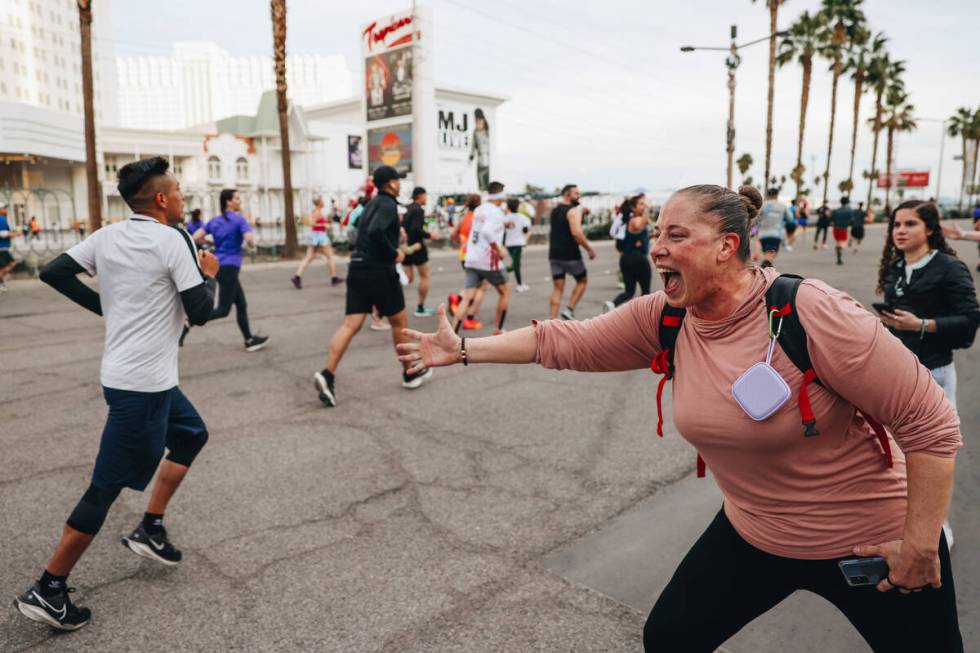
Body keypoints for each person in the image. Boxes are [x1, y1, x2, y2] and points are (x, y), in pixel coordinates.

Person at [398, 183, 964, 652]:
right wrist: (463, 350)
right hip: (755, 534)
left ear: (727, 246)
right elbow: (564, 340)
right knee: (670, 638)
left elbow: (929, 420)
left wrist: (918, 546)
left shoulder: (811, 311)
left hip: (866, 543)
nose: (657, 247)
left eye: (676, 235)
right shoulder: (666, 315)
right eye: (656, 234)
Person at [15, 157, 220, 631]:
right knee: (104, 487)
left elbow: (54, 272)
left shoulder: (107, 235)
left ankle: (150, 527)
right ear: (162, 199)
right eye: (179, 191)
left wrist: (105, 306)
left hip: (144, 380)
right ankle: (49, 587)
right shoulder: (174, 240)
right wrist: (210, 273)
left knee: (191, 434)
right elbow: (202, 312)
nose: (183, 198)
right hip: (142, 390)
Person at [876, 200, 979, 550]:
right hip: (897, 375)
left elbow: (969, 323)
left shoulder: (950, 269)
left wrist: (922, 325)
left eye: (910, 224)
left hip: (935, 373)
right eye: (896, 225)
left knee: (933, 458)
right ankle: (901, 523)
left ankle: (938, 529)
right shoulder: (894, 269)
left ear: (930, 229)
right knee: (895, 455)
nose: (900, 231)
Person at [314, 165, 432, 408]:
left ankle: (328, 374)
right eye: (397, 181)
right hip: (379, 270)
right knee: (399, 323)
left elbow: (360, 232)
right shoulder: (388, 205)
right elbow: (377, 231)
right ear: (390, 184)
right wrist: (394, 253)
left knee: (351, 324)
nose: (400, 184)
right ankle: (409, 373)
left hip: (357, 267)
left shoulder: (369, 205)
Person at [186, 189, 269, 352]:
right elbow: (250, 241)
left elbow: (195, 237)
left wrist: (211, 244)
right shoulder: (240, 220)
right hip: (230, 267)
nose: (239, 201)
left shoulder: (214, 221)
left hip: (219, 265)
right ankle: (189, 321)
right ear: (228, 202)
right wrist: (253, 241)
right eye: (237, 198)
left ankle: (249, 339)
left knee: (241, 304)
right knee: (223, 310)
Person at [451, 181, 511, 335]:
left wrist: (505, 223)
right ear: (500, 194)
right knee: (505, 292)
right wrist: (499, 249)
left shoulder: (480, 209)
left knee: (466, 297)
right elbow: (487, 231)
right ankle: (498, 329)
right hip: (488, 260)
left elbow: (482, 227)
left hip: (472, 257)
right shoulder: (496, 211)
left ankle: (452, 334)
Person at [548, 184, 596, 320]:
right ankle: (570, 309)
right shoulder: (573, 210)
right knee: (582, 280)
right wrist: (590, 250)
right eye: (576, 193)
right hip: (570, 254)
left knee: (558, 288)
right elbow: (577, 233)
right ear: (567, 194)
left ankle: (551, 321)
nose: (578, 195)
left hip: (554, 255)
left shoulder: (555, 210)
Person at [603, 194, 650, 311]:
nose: (645, 206)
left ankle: (612, 305)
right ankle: (642, 316)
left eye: (645, 203)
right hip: (638, 259)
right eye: (641, 204)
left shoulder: (630, 219)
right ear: (633, 208)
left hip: (626, 258)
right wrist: (647, 212)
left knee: (629, 291)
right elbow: (638, 226)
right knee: (646, 293)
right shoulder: (636, 220)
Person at [449, 193, 487, 330]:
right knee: (480, 287)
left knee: (473, 284)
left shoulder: (463, 218)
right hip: (477, 256)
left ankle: (458, 298)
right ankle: (469, 318)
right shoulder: (479, 219)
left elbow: (453, 235)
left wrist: (461, 242)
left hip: (464, 255)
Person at [291, 196, 344, 289]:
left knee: (309, 257)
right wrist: (323, 224)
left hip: (316, 235)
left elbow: (312, 222)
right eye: (322, 201)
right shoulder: (317, 212)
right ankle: (334, 278)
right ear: (320, 203)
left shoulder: (316, 211)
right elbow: (311, 223)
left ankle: (297, 277)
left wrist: (325, 223)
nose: (324, 202)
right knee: (329, 256)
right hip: (320, 236)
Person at [402, 186, 436, 316]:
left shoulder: (409, 209)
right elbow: (416, 229)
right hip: (417, 247)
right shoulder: (418, 210)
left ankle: (381, 306)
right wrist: (429, 235)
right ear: (420, 196)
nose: (426, 198)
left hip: (406, 247)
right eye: (425, 196)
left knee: (407, 279)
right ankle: (420, 307)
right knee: (425, 275)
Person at [756, 187, 794, 268]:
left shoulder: (763, 205)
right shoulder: (782, 206)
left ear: (768, 195)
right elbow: (790, 218)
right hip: (776, 234)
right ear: (777, 195)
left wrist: (754, 230)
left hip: (763, 234)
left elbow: (756, 219)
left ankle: (766, 269)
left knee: (768, 253)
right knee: (771, 253)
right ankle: (765, 267)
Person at [504, 197, 531, 292]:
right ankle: (500, 271)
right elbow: (525, 230)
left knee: (516, 264)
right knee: (515, 265)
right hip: (518, 243)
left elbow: (503, 232)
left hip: (509, 243)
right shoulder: (523, 217)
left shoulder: (506, 217)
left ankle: (520, 283)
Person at [0, 201, 20, 292]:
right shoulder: (1, 219)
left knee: (6, 265)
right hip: (2, 248)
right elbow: (3, 233)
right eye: (4, 208)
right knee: (11, 263)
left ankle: (1, 283)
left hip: (3, 247)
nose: (6, 210)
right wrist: (16, 234)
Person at [469, 108, 490, 191]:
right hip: (482, 158)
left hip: (485, 158)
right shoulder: (477, 131)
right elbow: (473, 145)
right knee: (482, 178)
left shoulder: (485, 130)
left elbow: (473, 145)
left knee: (483, 177)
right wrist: (471, 155)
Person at [830, 196, 854, 265]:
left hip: (835, 229)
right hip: (843, 229)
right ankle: (839, 250)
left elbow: (831, 220)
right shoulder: (849, 210)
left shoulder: (835, 210)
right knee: (843, 244)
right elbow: (852, 221)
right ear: (847, 202)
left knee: (838, 242)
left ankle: (839, 258)